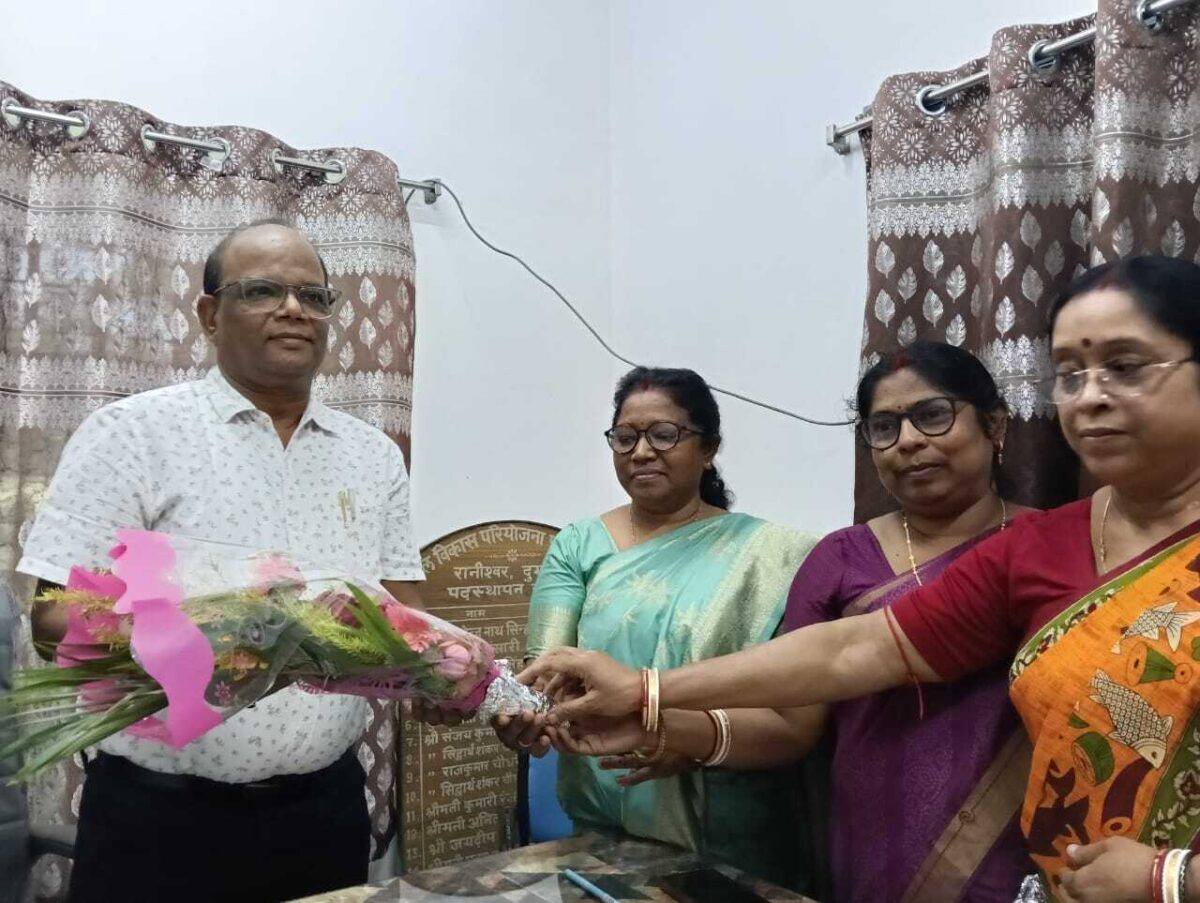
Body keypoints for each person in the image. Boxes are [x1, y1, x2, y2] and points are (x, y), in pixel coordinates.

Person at [523, 257, 1200, 902]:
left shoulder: (1018, 534)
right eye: (1070, 374)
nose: (1091, 397)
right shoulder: (1041, 547)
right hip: (960, 865)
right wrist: (646, 693)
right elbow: (860, 650)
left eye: (1125, 366)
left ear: (994, 425)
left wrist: (1171, 879)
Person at [19, 220, 426, 903]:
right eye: (262, 291)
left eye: (314, 296)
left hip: (323, 813)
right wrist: (234, 639)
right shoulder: (134, 433)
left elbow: (406, 612)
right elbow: (56, 622)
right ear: (210, 315)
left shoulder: (372, 454)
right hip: (160, 820)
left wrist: (445, 678)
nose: (294, 309)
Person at [494, 366, 818, 889]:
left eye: (664, 434)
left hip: (727, 824)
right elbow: (546, 675)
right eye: (625, 437)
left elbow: (789, 707)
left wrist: (681, 733)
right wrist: (525, 718)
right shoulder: (578, 545)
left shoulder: (770, 557)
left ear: (708, 448)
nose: (641, 451)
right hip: (604, 822)